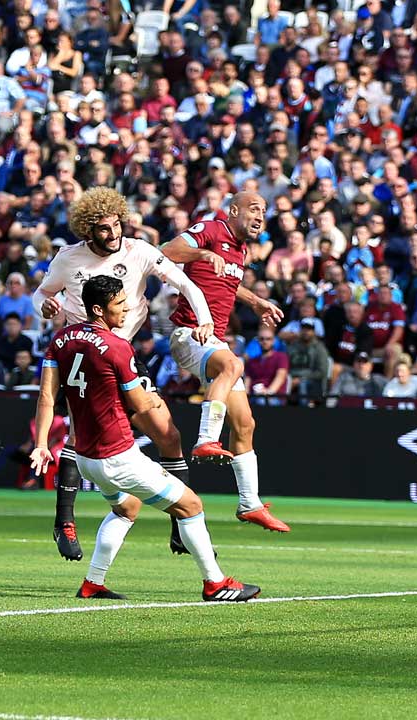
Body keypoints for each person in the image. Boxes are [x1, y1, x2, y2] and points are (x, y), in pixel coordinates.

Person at [30, 275, 260, 602]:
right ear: (98, 309)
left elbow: (46, 398)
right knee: (192, 506)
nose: (126, 311)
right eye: (119, 306)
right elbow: (138, 404)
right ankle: (216, 584)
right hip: (117, 457)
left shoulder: (62, 339)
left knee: (127, 509)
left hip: (85, 458)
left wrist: (42, 444)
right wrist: (153, 400)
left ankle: (92, 583)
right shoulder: (117, 346)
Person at [32, 187, 215, 560]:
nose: (113, 234)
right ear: (88, 230)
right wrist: (46, 307)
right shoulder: (69, 259)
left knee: (169, 434)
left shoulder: (140, 251)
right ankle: (64, 520)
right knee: (79, 434)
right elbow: (41, 294)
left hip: (124, 352)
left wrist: (205, 319)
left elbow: (185, 284)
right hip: (84, 353)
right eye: (103, 228)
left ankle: (180, 524)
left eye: (117, 225)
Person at [161, 191, 290, 533]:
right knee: (233, 364)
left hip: (212, 339)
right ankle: (206, 438)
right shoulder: (211, 229)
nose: (261, 215)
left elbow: (228, 285)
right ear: (233, 211)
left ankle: (249, 503)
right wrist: (202, 252)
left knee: (245, 424)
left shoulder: (240, 249)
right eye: (254, 208)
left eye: (264, 210)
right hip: (189, 333)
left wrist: (256, 301)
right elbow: (166, 252)